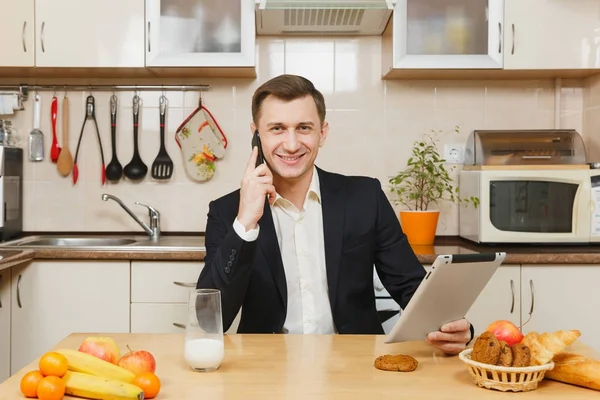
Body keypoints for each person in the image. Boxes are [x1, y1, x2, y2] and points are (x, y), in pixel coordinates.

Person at [196, 74, 474, 355]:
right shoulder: (227, 212)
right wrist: (245, 223)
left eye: (304, 128)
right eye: (277, 128)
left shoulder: (365, 197)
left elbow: (410, 285)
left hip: (356, 363)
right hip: (265, 365)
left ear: (322, 133)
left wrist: (451, 327)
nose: (291, 144)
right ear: (257, 134)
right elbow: (209, 319)